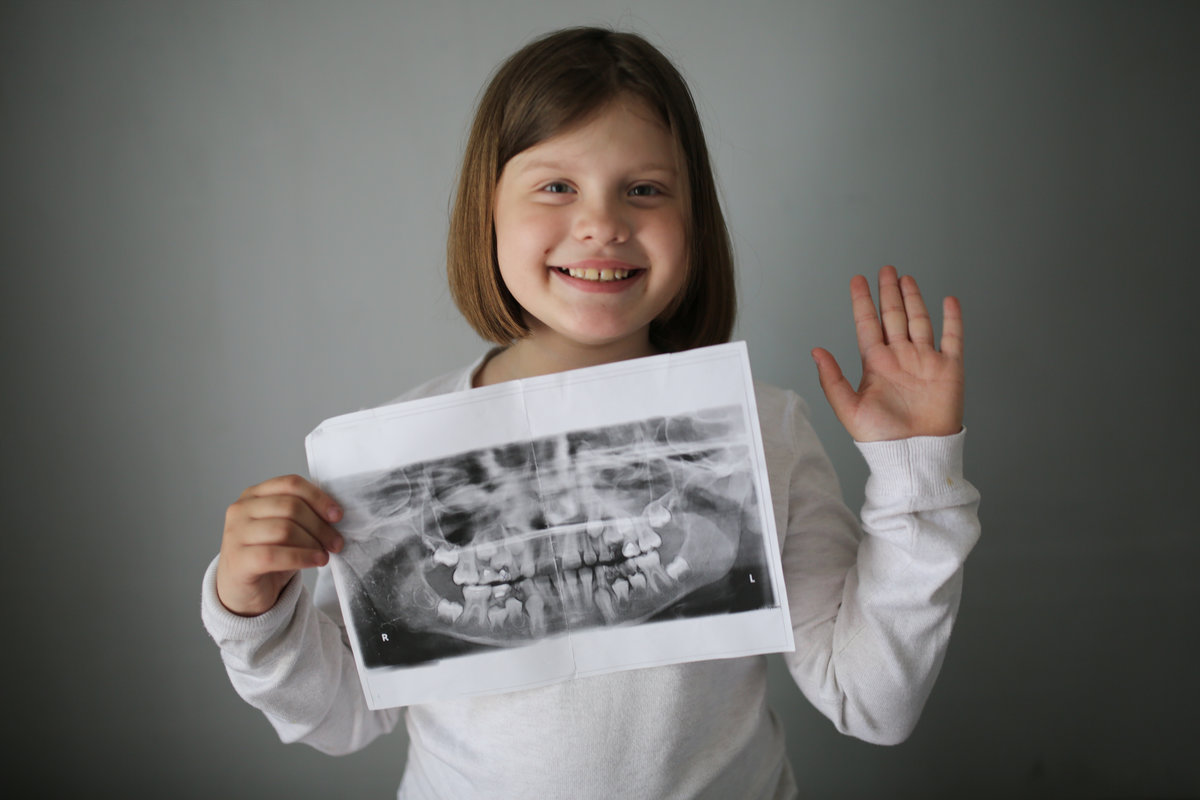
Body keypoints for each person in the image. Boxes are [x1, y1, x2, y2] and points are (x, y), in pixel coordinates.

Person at [202, 26, 981, 799]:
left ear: (695, 219)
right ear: (487, 212)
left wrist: (916, 480)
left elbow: (872, 701)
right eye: (556, 187)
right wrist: (254, 607)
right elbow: (340, 716)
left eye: (644, 189)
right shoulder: (400, 456)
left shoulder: (765, 431)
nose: (602, 223)